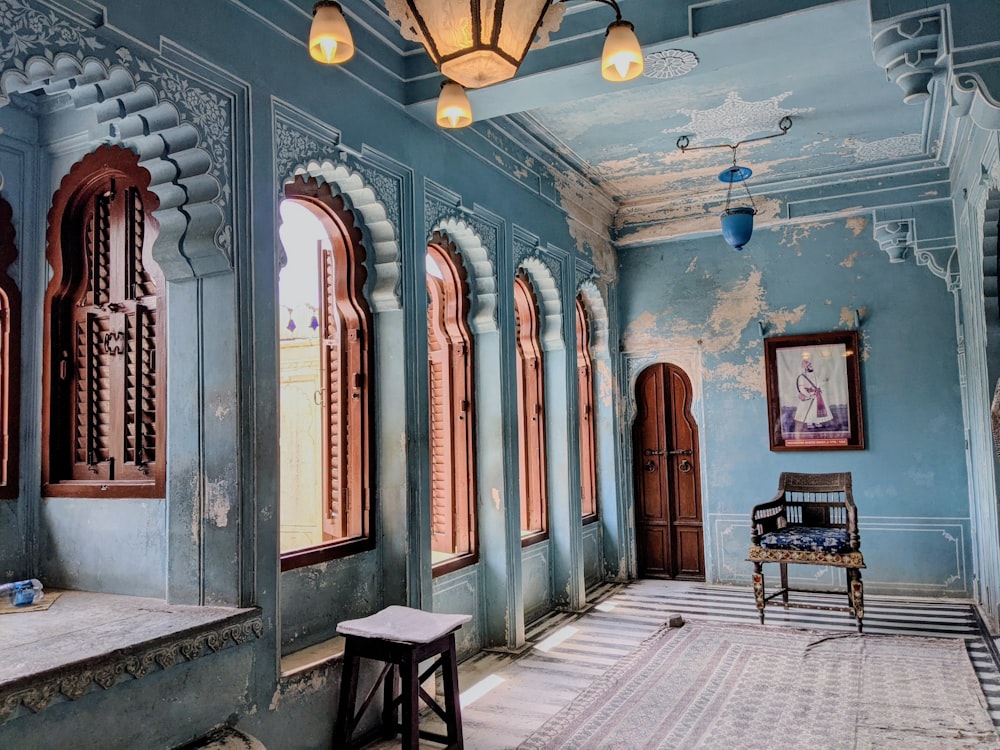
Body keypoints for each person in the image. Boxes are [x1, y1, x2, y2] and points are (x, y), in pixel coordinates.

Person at [795, 357, 833, 428]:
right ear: (806, 368)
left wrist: (825, 381)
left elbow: (818, 383)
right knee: (809, 410)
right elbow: (801, 388)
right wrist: (809, 395)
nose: (811, 366)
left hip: (817, 395)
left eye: (811, 365)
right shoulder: (801, 377)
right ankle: (809, 424)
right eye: (809, 365)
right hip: (808, 397)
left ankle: (817, 422)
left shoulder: (814, 375)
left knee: (816, 409)